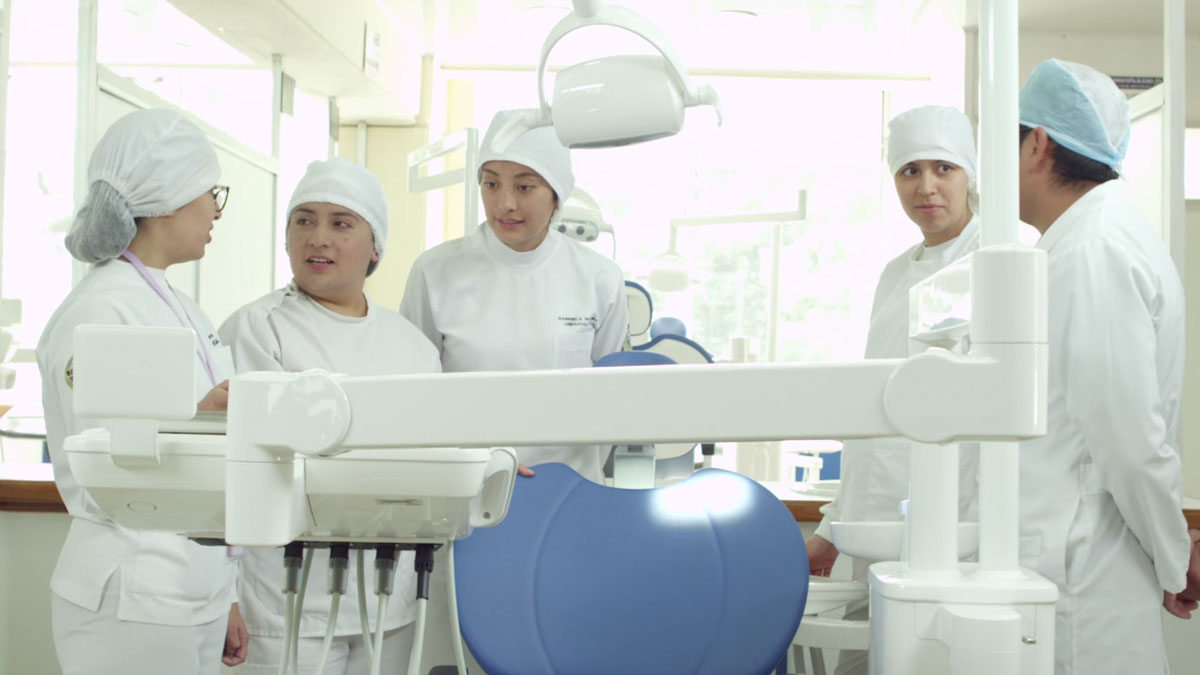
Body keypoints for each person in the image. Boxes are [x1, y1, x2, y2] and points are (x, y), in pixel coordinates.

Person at [37, 108, 246, 674]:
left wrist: (224, 593)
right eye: (210, 193)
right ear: (168, 197)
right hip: (131, 594)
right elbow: (99, 464)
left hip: (191, 590)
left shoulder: (179, 307)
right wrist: (195, 418)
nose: (216, 211)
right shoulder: (100, 310)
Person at [219, 158, 441, 674]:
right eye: (304, 220)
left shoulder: (411, 346)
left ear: (375, 246)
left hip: (389, 595)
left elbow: (437, 452)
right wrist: (224, 591)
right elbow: (229, 474)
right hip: (284, 599)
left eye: (341, 223)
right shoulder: (259, 329)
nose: (317, 238)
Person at [1014, 58, 1193, 674]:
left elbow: (1128, 439)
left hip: (1085, 574)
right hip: (1077, 562)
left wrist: (1174, 559)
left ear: (1037, 144)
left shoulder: (1092, 249)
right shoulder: (1086, 239)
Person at [806, 105, 982, 675]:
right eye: (910, 171)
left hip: (956, 533)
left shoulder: (1000, 261)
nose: (926, 186)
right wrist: (833, 527)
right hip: (876, 531)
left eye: (943, 168)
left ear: (970, 174)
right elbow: (874, 414)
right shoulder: (895, 273)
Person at [399, 109, 629, 483]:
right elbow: (413, 393)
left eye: (524, 187)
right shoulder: (435, 272)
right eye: (491, 184)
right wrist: (465, 463)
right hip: (466, 484)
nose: (505, 203)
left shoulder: (600, 278)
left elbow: (610, 397)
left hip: (571, 487)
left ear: (557, 196)